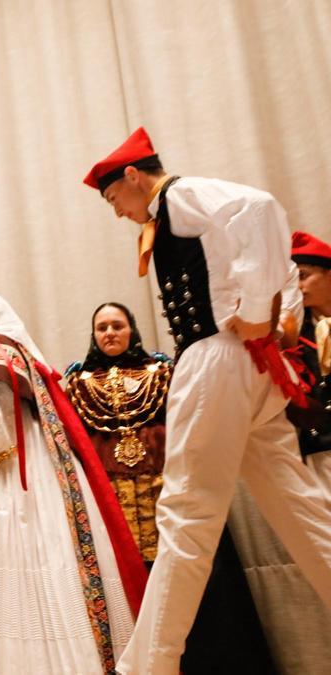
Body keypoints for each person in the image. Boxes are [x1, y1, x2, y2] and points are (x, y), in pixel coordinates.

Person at [85, 126, 331, 674]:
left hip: (216, 358)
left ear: (132, 176)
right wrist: (277, 311)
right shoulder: (173, 211)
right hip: (246, 365)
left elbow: (259, 207)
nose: (118, 211)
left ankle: (149, 665)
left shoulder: (178, 196)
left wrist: (256, 308)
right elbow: (266, 240)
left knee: (186, 511)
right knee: (299, 506)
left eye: (113, 198)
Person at [0, 286, 147, 674]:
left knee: (19, 554)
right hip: (46, 469)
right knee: (53, 553)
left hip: (18, 471)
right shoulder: (19, 353)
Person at [66, 302, 275, 674]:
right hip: (111, 503)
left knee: (188, 579)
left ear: (132, 329)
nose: (110, 333)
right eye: (102, 328)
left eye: (117, 325)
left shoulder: (162, 373)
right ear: (94, 335)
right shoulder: (79, 385)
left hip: (166, 490)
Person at [287, 231, 331, 494]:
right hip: (321, 447)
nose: (298, 287)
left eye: (303, 276)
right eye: (292, 280)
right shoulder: (294, 338)